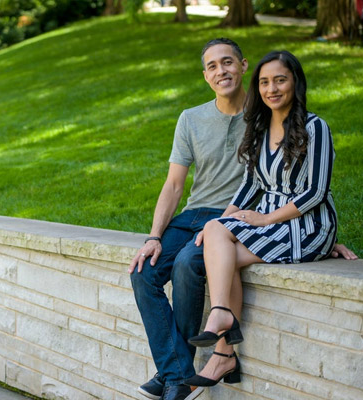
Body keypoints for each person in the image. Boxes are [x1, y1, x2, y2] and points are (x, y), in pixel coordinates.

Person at [127, 40, 356, 400]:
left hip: (275, 220)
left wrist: (275, 224)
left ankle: (197, 364)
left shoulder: (290, 120)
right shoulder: (214, 121)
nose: (272, 89)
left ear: (244, 66)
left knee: (191, 261)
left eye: (228, 63)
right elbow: (195, 185)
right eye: (213, 66)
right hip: (220, 217)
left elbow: (313, 191)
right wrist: (159, 235)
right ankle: (188, 366)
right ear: (205, 75)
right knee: (146, 270)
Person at [184, 50, 350, 388]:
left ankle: (222, 345)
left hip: (308, 223)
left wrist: (265, 220)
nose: (271, 88)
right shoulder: (259, 128)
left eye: (280, 80)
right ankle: (223, 339)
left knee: (221, 254)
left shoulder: (315, 128)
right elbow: (249, 186)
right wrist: (219, 224)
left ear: (295, 83)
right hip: (272, 221)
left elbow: (316, 192)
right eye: (264, 82)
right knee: (216, 238)